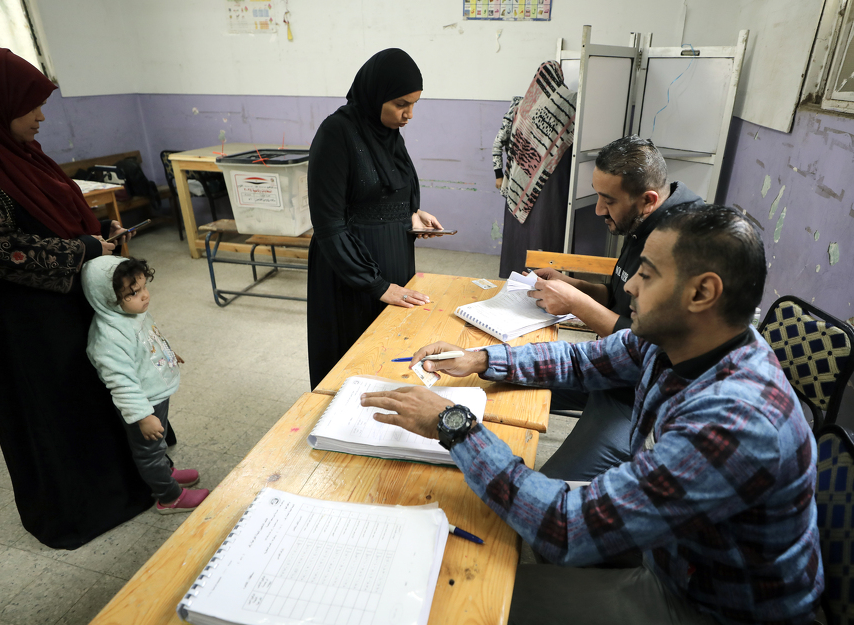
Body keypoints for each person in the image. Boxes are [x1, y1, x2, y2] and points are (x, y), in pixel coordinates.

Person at [361, 204, 823, 624]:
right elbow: (583, 360)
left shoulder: (735, 423)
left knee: (465, 602)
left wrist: (455, 425)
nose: (629, 286)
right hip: (681, 550)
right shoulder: (688, 337)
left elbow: (566, 528)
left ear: (701, 292)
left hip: (711, 605)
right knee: (509, 523)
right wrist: (481, 359)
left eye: (647, 274)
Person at [0, 47, 153, 548]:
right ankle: (80, 511)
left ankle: (128, 482)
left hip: (61, 303)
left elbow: (51, 209)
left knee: (90, 392)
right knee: (50, 408)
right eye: (30, 106)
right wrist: (81, 249)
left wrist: (96, 232)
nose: (41, 116)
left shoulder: (13, 149)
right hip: (14, 321)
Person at [528, 135, 704, 480]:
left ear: (648, 200)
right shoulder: (644, 220)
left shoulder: (684, 242)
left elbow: (647, 348)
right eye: (597, 194)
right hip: (608, 368)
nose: (597, 209)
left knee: (555, 488)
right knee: (495, 378)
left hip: (638, 393)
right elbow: (618, 295)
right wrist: (575, 285)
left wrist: (576, 303)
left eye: (608, 200)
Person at [307, 48, 443, 389]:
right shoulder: (336, 133)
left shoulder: (388, 133)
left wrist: (413, 214)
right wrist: (375, 284)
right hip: (351, 271)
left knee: (390, 349)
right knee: (355, 357)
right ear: (375, 94)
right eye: (401, 104)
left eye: (414, 104)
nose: (409, 114)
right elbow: (328, 224)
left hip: (393, 259)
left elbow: (385, 192)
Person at [82, 256, 210, 514]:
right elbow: (121, 383)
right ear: (106, 298)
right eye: (133, 293)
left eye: (143, 287)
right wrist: (142, 416)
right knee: (149, 452)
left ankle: (167, 471)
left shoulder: (132, 313)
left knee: (158, 444)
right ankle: (169, 497)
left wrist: (167, 353)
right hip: (144, 403)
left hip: (156, 393)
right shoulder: (109, 337)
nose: (144, 296)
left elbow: (149, 339)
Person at [493, 61, 576, 278]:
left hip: (519, 179)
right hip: (550, 180)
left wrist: (499, 174)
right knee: (545, 227)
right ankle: (546, 275)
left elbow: (500, 142)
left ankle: (514, 271)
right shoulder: (568, 104)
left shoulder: (523, 104)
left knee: (521, 231)